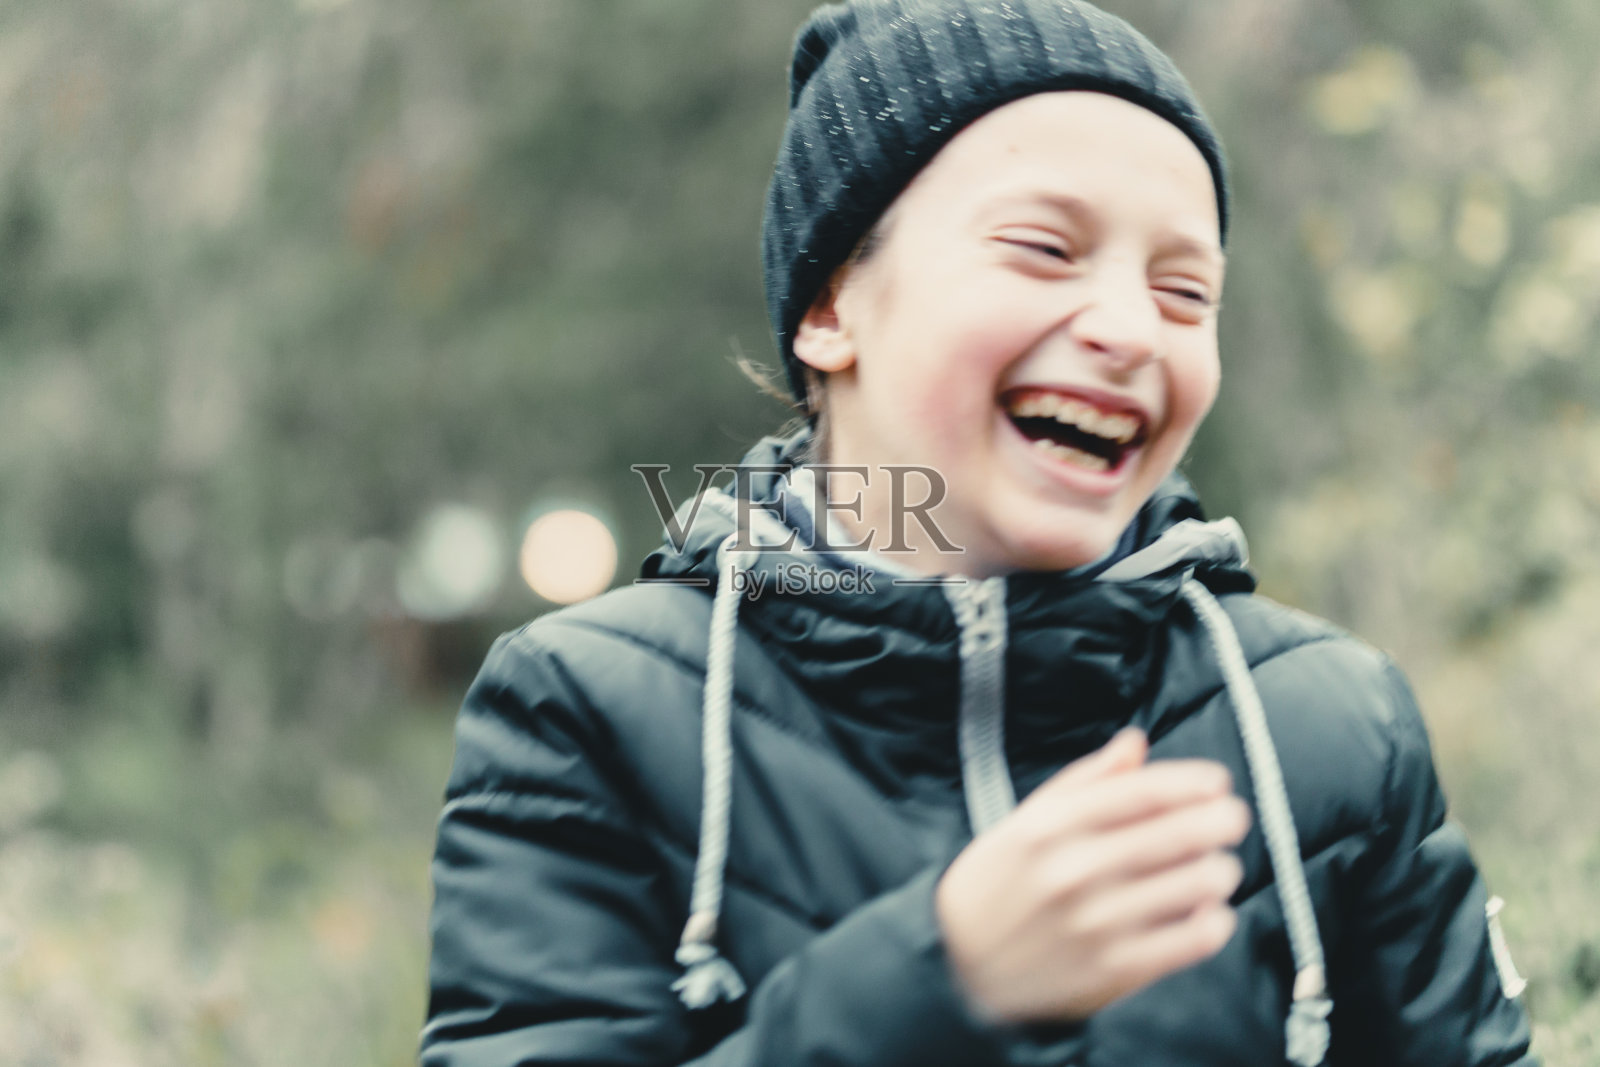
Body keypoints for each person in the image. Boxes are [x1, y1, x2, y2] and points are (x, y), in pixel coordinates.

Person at [421, 2, 1537, 1064]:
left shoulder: (1333, 728)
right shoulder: (586, 711)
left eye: (1185, 292)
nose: (1126, 328)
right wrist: (938, 977)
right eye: (1045, 249)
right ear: (831, 306)